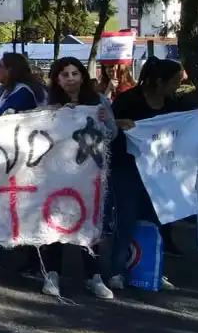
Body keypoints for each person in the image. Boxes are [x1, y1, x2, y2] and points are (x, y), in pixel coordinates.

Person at [108, 57, 188, 292]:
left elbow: (183, 128)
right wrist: (118, 124)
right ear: (159, 81)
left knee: (156, 221)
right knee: (126, 220)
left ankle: (152, 268)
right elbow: (107, 128)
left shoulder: (173, 103)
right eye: (174, 82)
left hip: (158, 172)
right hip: (127, 171)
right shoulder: (128, 100)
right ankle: (116, 271)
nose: (176, 87)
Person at [40, 57, 116, 300]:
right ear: (57, 79)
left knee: (90, 223)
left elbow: (112, 134)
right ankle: (52, 274)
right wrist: (55, 115)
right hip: (56, 174)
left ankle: (93, 276)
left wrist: (105, 120)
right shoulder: (49, 103)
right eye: (65, 74)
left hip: (89, 177)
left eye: (75, 73)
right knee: (55, 223)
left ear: (82, 76)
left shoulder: (99, 102)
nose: (70, 78)